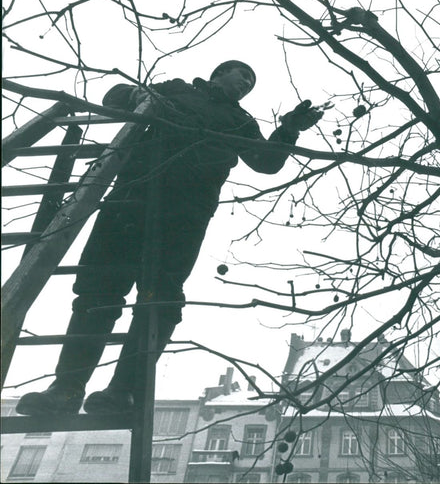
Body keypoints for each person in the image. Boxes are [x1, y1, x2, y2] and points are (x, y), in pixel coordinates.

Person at [16, 60, 324, 416]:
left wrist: (288, 129)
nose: (246, 85)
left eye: (251, 84)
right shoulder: (175, 90)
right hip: (131, 198)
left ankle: (122, 393)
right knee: (96, 293)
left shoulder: (241, 122)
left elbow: (266, 162)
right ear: (219, 72)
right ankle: (66, 390)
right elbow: (114, 98)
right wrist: (136, 93)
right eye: (243, 76)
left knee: (159, 300)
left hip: (185, 214)